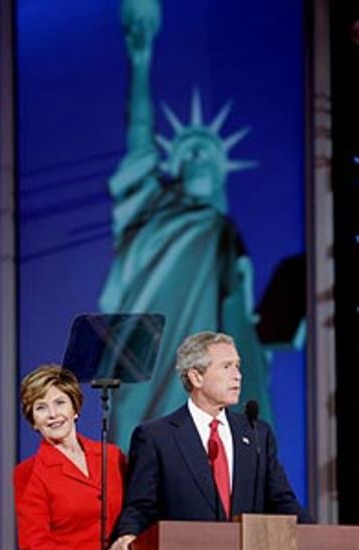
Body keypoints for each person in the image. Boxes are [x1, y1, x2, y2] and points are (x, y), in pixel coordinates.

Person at [100, 0, 273, 454]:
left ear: (219, 172)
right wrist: (141, 62)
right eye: (189, 152)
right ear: (175, 166)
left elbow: (242, 306)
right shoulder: (151, 205)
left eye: (206, 154)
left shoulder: (222, 231)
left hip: (200, 353)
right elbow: (139, 134)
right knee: (134, 440)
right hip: (146, 347)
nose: (197, 157)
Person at [106, 331, 311, 550]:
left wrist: (317, 539)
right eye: (226, 367)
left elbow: (282, 500)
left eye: (237, 366)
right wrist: (127, 536)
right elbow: (141, 506)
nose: (238, 375)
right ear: (196, 376)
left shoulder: (257, 434)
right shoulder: (156, 437)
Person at [13, 364, 126, 550]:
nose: (53, 414)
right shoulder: (29, 472)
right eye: (41, 408)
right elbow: (35, 544)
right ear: (34, 421)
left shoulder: (112, 457)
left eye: (60, 402)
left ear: (75, 409)